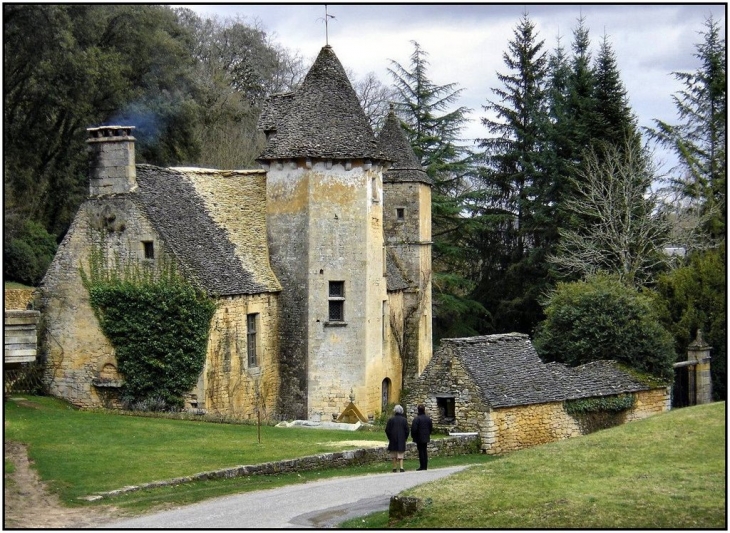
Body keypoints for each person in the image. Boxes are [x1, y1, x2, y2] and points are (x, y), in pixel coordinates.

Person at [385, 404, 409, 472]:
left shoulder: (391, 420)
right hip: (401, 438)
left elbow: (387, 430)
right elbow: (407, 430)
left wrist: (390, 437)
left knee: (394, 454)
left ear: (395, 411)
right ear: (401, 411)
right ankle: (401, 467)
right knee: (400, 453)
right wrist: (405, 438)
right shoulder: (404, 420)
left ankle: (394, 467)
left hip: (393, 438)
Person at [411, 404, 433, 471]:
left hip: (419, 437)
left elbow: (414, 429)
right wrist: (428, 433)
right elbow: (431, 428)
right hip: (426, 436)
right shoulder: (428, 418)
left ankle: (422, 466)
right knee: (424, 450)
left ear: (418, 410)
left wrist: (413, 436)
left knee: (421, 451)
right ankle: (425, 465)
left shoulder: (417, 419)